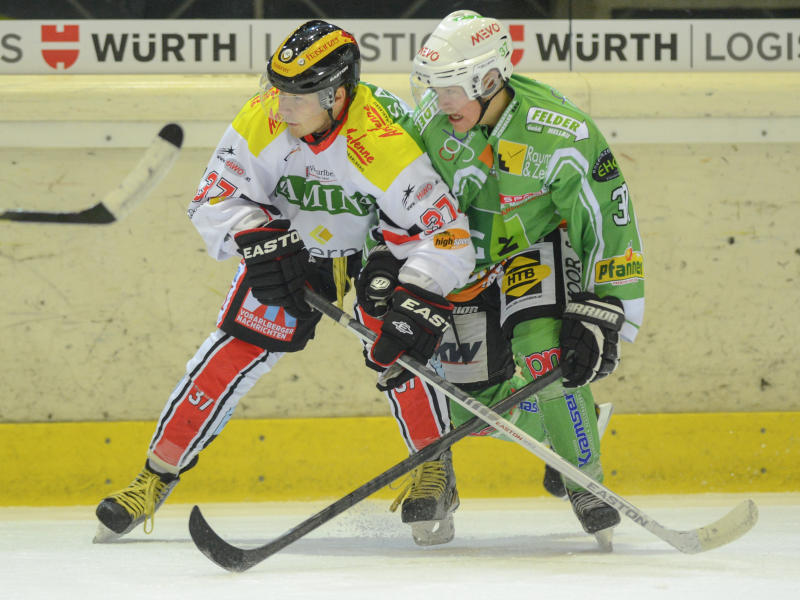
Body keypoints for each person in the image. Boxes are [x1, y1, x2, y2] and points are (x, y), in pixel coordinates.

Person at [93, 19, 475, 541]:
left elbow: (447, 233)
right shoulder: (263, 115)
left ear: (336, 96)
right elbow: (212, 198)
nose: (280, 106)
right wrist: (256, 236)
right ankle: (154, 477)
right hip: (295, 245)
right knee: (234, 348)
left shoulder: (383, 138)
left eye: (296, 96)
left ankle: (433, 469)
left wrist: (419, 289)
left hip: (379, 248)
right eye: (277, 90)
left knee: (398, 343)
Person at [355, 10, 644, 546]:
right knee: (466, 397)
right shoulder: (429, 126)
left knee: (545, 355)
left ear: (489, 79)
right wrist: (384, 258)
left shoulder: (561, 133)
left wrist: (603, 306)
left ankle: (585, 481)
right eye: (434, 87)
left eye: (451, 87)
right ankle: (548, 434)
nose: (440, 100)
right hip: (459, 260)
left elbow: (608, 219)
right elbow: (398, 201)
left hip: (533, 250)